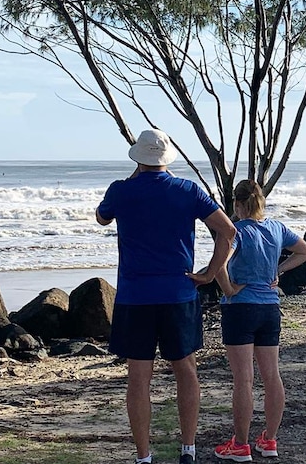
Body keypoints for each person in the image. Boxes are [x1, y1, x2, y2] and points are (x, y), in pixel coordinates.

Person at [95, 128, 237, 464]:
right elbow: (228, 231)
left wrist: (136, 172)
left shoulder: (121, 191)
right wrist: (210, 273)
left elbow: (102, 218)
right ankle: (187, 449)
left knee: (138, 376)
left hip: (134, 295)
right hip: (178, 293)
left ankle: (144, 456)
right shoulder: (187, 190)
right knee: (185, 369)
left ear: (138, 158)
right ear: (166, 159)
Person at [205, 180, 306, 462]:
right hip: (269, 308)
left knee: (243, 378)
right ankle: (269, 440)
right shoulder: (276, 228)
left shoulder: (236, 231)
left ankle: (240, 444)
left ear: (238, 205)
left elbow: (219, 264)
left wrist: (228, 290)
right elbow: (305, 251)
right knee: (271, 375)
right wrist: (279, 269)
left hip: (241, 308)